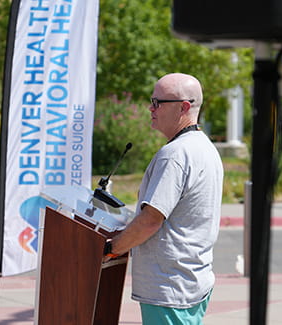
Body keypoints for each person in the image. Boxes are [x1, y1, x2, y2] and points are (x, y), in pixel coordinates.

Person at [104, 73, 224, 324]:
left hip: (170, 287)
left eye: (158, 102)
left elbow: (150, 220)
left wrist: (111, 249)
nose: (151, 107)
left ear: (184, 107)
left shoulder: (176, 154)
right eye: (152, 100)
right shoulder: (203, 146)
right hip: (188, 281)